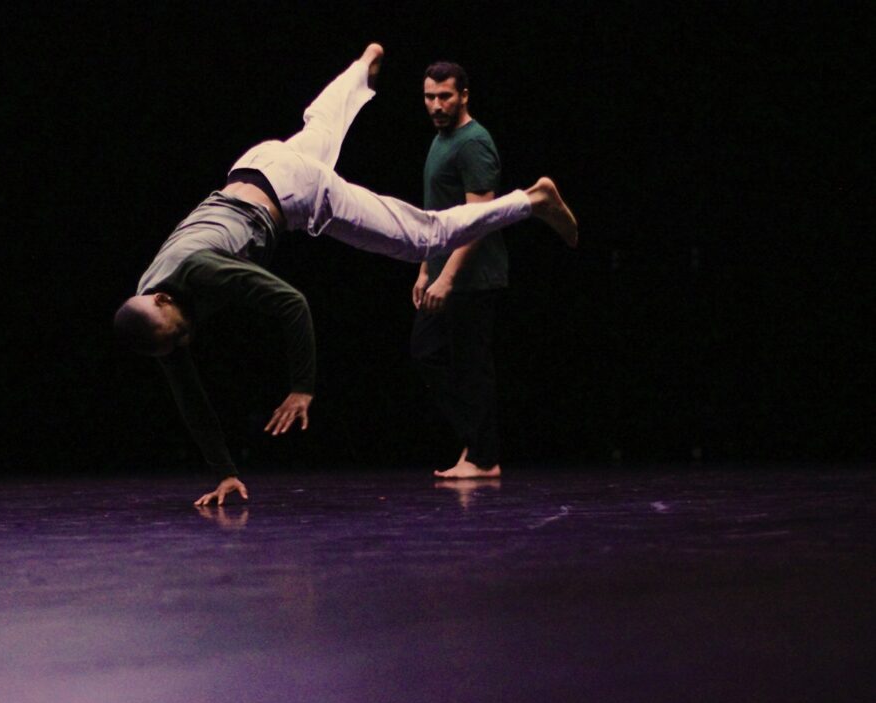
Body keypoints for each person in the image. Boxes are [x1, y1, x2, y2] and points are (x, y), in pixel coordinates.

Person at [114, 44, 577, 505]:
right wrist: (225, 473)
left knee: (424, 237)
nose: (186, 340)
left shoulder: (202, 269)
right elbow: (189, 396)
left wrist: (302, 387)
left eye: (181, 332)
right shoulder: (152, 313)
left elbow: (291, 303)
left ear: (164, 301)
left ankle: (531, 201)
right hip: (259, 162)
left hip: (294, 194)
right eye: (176, 343)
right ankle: (362, 68)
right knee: (320, 126)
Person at [411, 61, 512, 479]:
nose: (436, 105)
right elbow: (435, 216)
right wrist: (423, 269)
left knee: (471, 366)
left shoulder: (473, 143)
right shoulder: (442, 139)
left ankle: (483, 458)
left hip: (473, 278)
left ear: (464, 95)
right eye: (430, 97)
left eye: (445, 97)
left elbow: (479, 218)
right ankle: (478, 448)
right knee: (427, 355)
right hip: (441, 272)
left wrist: (448, 276)